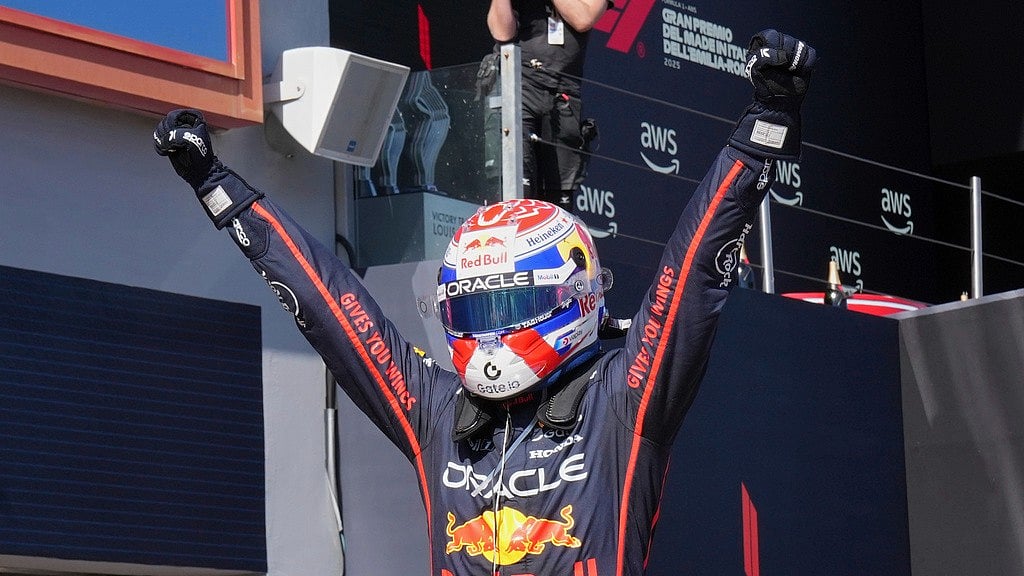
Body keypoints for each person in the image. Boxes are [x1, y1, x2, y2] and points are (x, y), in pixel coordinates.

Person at [154, 29, 815, 576]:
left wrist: (765, 125)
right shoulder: (437, 411)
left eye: (509, 307)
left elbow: (692, 270)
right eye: (474, 313)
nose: (491, 335)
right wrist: (220, 188)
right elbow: (331, 305)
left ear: (570, 298)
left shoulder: (622, 400)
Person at [486, 0, 610, 210]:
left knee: (558, 202)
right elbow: (502, 33)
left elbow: (584, 18)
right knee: (515, 189)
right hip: (517, 85)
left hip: (563, 96)